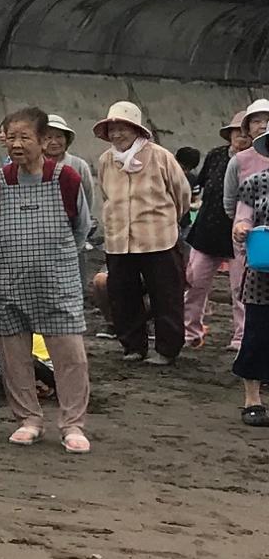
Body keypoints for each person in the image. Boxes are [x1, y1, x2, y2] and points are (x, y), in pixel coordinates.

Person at [0, 108, 93, 452]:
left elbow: (82, 229)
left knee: (70, 355)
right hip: (9, 282)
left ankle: (72, 424)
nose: (17, 144)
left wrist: (54, 258)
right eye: (11, 136)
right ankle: (28, 419)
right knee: (14, 356)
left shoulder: (67, 179)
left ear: (44, 141)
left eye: (25, 137)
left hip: (57, 281)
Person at [92, 100, 191, 366]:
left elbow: (181, 194)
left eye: (122, 128)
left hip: (158, 238)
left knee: (166, 295)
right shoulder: (106, 161)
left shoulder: (160, 156)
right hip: (118, 240)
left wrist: (165, 219)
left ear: (137, 129)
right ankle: (133, 345)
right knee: (123, 295)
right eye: (111, 129)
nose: (116, 135)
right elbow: (105, 194)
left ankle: (167, 349)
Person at [185, 111, 246, 349]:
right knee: (194, 284)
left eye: (245, 133)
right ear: (229, 134)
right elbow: (200, 185)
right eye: (236, 132)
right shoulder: (216, 155)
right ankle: (191, 332)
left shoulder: (259, 160)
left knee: (241, 290)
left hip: (240, 235)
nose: (241, 137)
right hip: (206, 231)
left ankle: (241, 337)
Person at [227, 132, 269, 421]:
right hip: (263, 271)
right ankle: (252, 399)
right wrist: (241, 228)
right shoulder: (255, 183)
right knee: (256, 334)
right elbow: (242, 217)